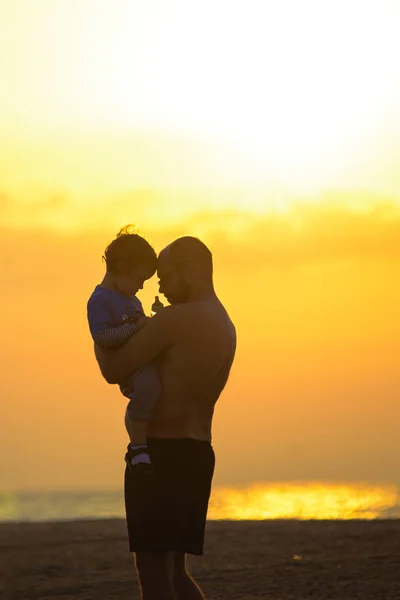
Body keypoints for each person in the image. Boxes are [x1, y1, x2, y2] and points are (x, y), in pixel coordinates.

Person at [95, 236, 236, 600]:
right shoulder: (224, 323)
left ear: (188, 271)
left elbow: (113, 368)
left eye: (164, 278)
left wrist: (99, 314)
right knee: (176, 572)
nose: (159, 287)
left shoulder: (176, 319)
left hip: (159, 456)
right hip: (198, 453)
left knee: (154, 576)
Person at [87, 225, 162, 468]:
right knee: (148, 388)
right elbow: (104, 338)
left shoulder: (132, 299)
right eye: (139, 278)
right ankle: (138, 445)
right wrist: (136, 327)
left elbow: (142, 327)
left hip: (143, 359)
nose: (141, 286)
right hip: (132, 370)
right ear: (121, 269)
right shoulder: (99, 301)